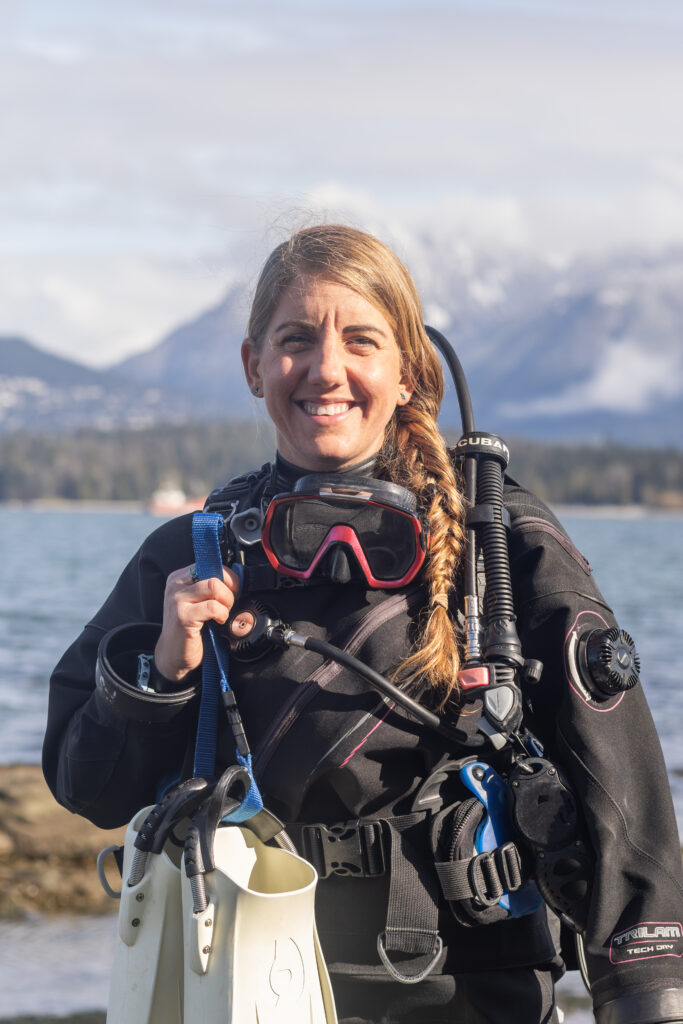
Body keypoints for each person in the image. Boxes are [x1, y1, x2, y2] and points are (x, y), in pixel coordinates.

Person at [44, 224, 683, 1024]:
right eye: (295, 341)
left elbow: (619, 778)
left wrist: (647, 988)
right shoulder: (192, 554)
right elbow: (87, 786)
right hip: (249, 976)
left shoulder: (501, 543)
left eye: (360, 340)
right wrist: (160, 672)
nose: (326, 369)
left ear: (409, 369)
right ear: (252, 367)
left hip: (471, 984)